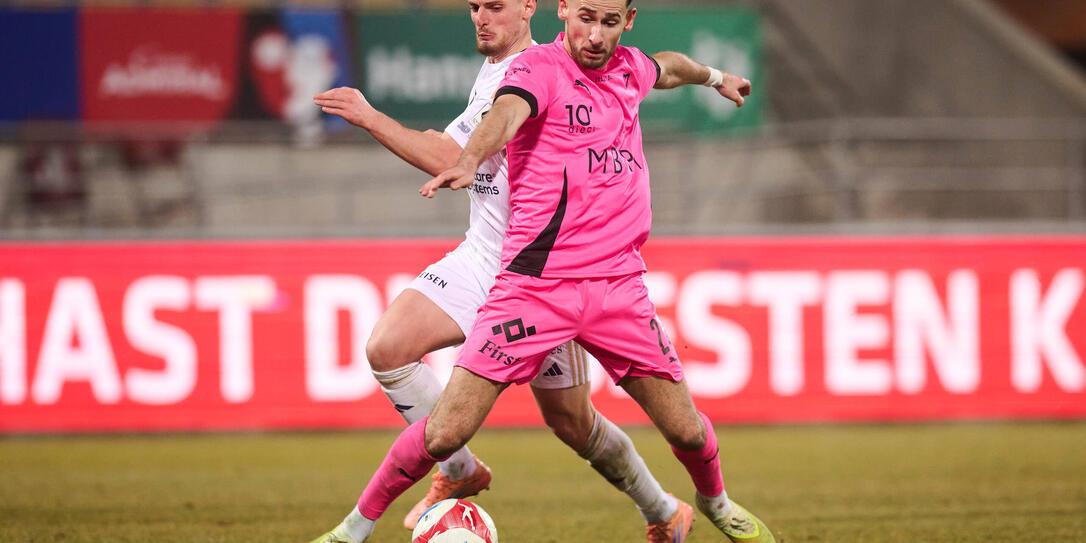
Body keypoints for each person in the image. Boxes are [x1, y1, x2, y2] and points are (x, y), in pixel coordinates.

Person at [311, 1, 690, 541]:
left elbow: (446, 153)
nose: (479, 18)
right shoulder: (494, 72)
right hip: (484, 255)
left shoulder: (541, 71)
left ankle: (662, 509)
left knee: (571, 423)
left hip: (544, 274)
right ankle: (459, 468)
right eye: (473, 6)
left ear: (530, 8)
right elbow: (456, 149)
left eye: (494, 6)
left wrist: (371, 116)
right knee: (387, 347)